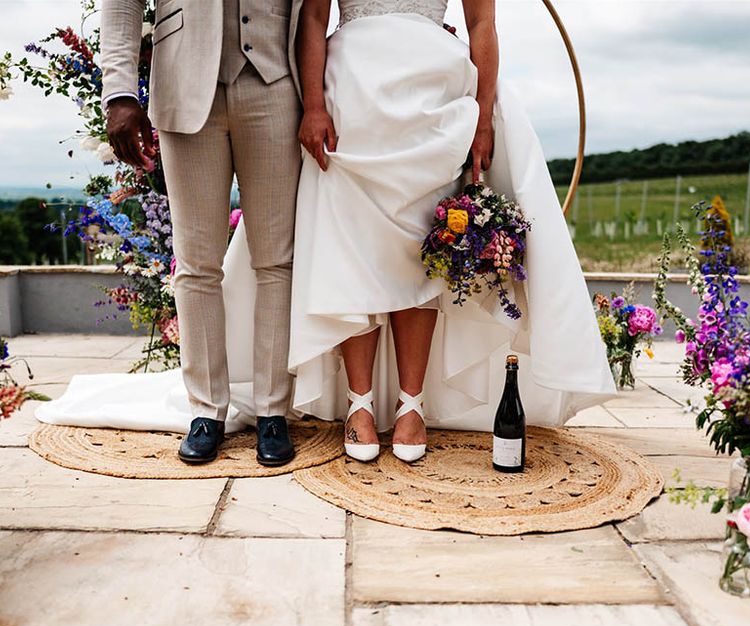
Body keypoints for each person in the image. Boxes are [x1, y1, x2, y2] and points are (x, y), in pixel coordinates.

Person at [36, 0, 615, 453]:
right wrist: (119, 92)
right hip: (257, 92)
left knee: (338, 257)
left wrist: (470, 104)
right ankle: (234, 409)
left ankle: (319, 409)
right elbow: (306, 14)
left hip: (348, 93)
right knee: (235, 260)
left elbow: (473, 21)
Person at [286, 0, 616, 462]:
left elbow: (483, 22)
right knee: (352, 246)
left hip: (434, 102)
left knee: (423, 252)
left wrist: (482, 120)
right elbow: (315, 16)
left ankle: (411, 403)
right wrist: (314, 104)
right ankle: (357, 402)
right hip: (352, 96)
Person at [97, 0, 305, 465]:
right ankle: (207, 411)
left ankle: (274, 410)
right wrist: (119, 93)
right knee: (196, 263)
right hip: (185, 84)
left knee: (277, 260)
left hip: (275, 84)